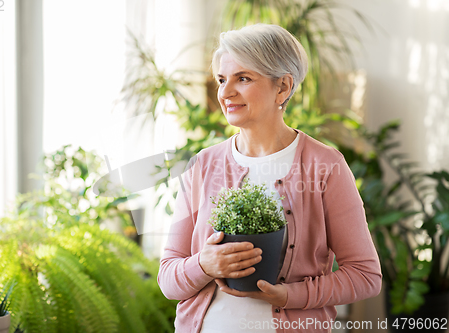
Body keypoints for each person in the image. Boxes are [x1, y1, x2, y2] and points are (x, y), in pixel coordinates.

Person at [158, 24, 382, 333]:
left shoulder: (325, 166)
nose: (225, 93)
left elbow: (365, 275)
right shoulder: (203, 165)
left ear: (283, 87)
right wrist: (204, 264)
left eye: (244, 78)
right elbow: (168, 280)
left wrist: (290, 295)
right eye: (223, 79)